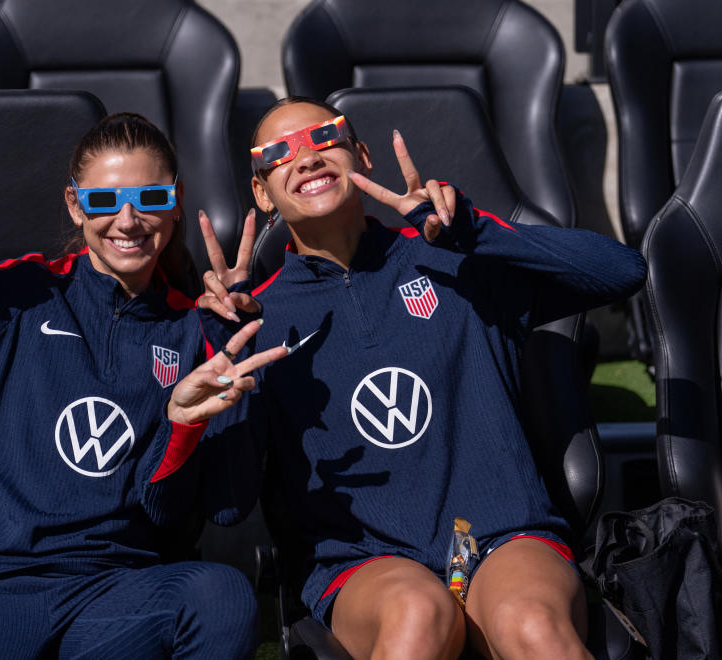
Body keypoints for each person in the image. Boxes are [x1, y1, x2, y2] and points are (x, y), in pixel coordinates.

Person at [197, 97, 647, 659]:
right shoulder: (253, 320)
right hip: (366, 560)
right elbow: (225, 507)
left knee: (532, 625)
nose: (306, 158)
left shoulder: (454, 256)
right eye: (280, 152)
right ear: (262, 192)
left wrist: (477, 233)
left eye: (324, 138)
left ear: (360, 155)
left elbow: (624, 272)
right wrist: (223, 349)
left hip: (500, 538)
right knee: (418, 615)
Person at [0, 113, 286, 659]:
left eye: (150, 197)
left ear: (176, 199)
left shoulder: (195, 326)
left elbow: (220, 510)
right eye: (102, 202)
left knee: (220, 596)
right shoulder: (21, 289)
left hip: (106, 589)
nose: (128, 220)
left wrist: (191, 413)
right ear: (75, 205)